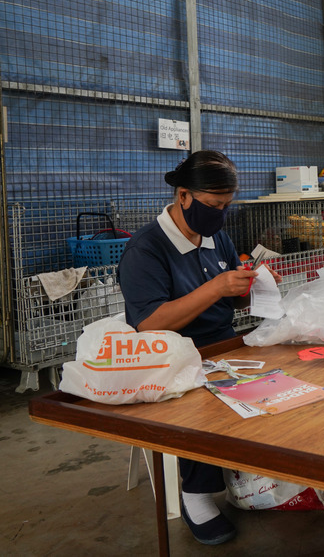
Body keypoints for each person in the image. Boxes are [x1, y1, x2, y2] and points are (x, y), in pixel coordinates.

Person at [118, 150, 278, 546]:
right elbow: (149, 323)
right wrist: (216, 287)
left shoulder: (214, 236)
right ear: (183, 196)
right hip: (172, 355)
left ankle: (261, 473)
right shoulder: (146, 249)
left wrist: (248, 286)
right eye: (213, 205)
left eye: (226, 206)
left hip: (224, 344)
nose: (220, 214)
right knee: (202, 403)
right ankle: (196, 495)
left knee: (284, 381)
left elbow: (229, 301)